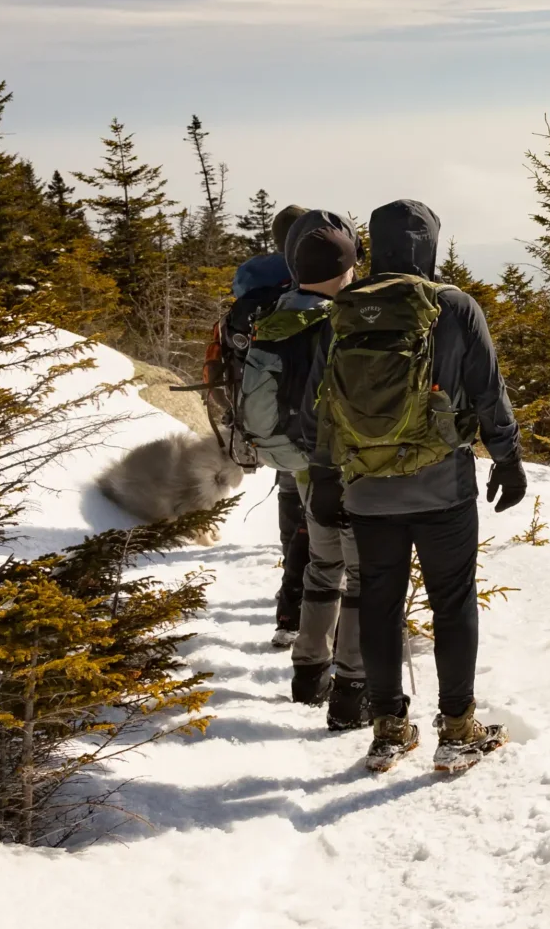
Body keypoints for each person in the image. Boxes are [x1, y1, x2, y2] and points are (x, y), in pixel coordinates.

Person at [332, 198, 527, 774]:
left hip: (366, 487)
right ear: (430, 246)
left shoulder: (346, 307)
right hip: (442, 486)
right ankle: (459, 729)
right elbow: (488, 392)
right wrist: (508, 459)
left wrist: (326, 476)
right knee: (452, 601)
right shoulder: (454, 306)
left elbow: (323, 401)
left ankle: (388, 729)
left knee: (379, 604)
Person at [274, 211, 371, 730]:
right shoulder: (343, 319)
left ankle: (309, 671)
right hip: (344, 464)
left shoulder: (277, 314)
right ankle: (352, 686)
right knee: (359, 576)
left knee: (321, 565)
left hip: (303, 465)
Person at [213, 203, 309, 646]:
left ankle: (291, 603)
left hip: (269, 419)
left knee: (292, 503)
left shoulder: (252, 282)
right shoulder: (317, 277)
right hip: (314, 419)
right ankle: (309, 607)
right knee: (327, 513)